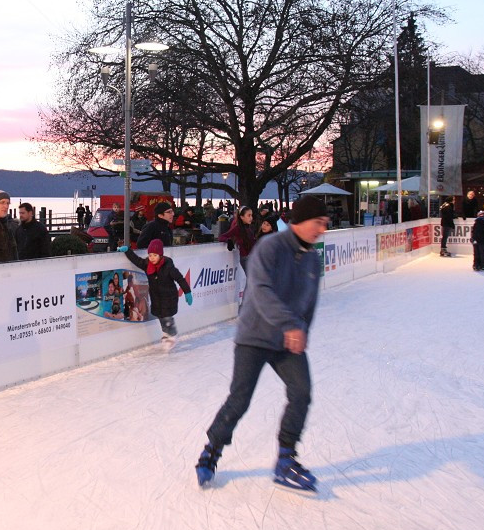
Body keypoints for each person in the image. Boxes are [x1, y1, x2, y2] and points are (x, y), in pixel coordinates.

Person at [194, 196, 329, 490]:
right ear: (301, 221)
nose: (322, 230)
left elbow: (310, 303)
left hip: (285, 340)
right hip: (254, 336)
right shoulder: (271, 247)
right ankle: (211, 451)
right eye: (318, 223)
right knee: (239, 399)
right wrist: (291, 325)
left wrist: (301, 329)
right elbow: (261, 290)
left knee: (301, 392)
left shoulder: (311, 260)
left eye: (325, 225)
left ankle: (285, 458)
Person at [119, 238, 192, 351]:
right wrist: (127, 250)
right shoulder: (147, 264)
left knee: (167, 317)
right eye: (150, 255)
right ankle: (166, 334)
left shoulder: (169, 267)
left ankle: (172, 335)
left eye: (154, 255)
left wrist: (187, 292)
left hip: (169, 297)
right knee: (160, 316)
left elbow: (180, 279)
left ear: (160, 255)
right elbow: (136, 260)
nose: (152, 258)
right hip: (156, 298)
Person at [218, 206, 256, 274]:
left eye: (251, 215)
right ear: (242, 217)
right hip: (245, 258)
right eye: (249, 215)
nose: (251, 218)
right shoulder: (237, 228)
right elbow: (221, 236)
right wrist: (228, 240)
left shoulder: (249, 228)